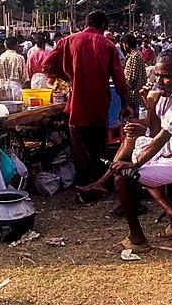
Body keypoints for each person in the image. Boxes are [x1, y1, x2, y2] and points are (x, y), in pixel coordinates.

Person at [89, 49, 172, 253]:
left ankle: (137, 239)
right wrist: (150, 105)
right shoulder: (169, 91)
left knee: (125, 176)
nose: (160, 80)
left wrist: (134, 164)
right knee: (135, 152)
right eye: (157, 75)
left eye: (166, 76)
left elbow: (162, 137)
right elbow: (156, 129)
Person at [43, 10, 130, 186]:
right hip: (99, 105)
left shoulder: (67, 41)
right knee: (98, 147)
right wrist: (124, 104)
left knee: (79, 149)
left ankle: (83, 182)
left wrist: (68, 77)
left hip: (77, 106)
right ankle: (99, 182)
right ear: (104, 25)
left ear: (86, 23)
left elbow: (47, 65)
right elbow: (120, 81)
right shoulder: (107, 45)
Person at [123, 34, 148, 118]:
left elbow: (132, 78)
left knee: (131, 117)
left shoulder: (134, 57)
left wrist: (126, 90)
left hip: (132, 94)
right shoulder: (138, 54)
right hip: (136, 92)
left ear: (126, 44)